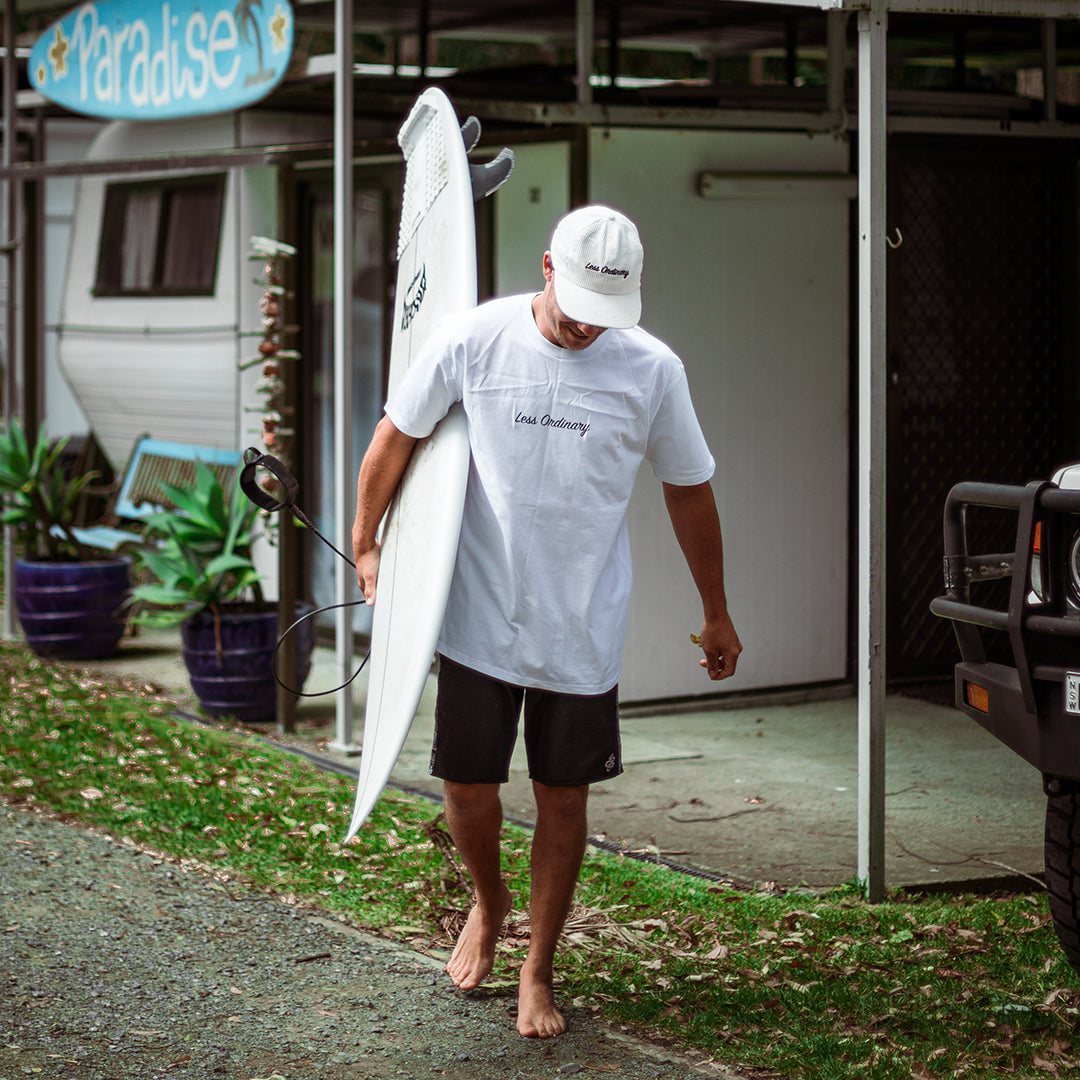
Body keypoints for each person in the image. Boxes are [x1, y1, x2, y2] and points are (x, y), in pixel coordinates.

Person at [351, 205, 742, 1040]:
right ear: (547, 269)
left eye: (602, 319)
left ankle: (539, 966)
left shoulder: (652, 370)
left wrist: (715, 610)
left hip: (582, 623)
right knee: (468, 788)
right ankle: (488, 908)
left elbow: (689, 489)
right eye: (572, 312)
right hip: (477, 611)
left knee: (564, 799)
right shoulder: (475, 338)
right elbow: (398, 433)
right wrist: (366, 543)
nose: (582, 330)